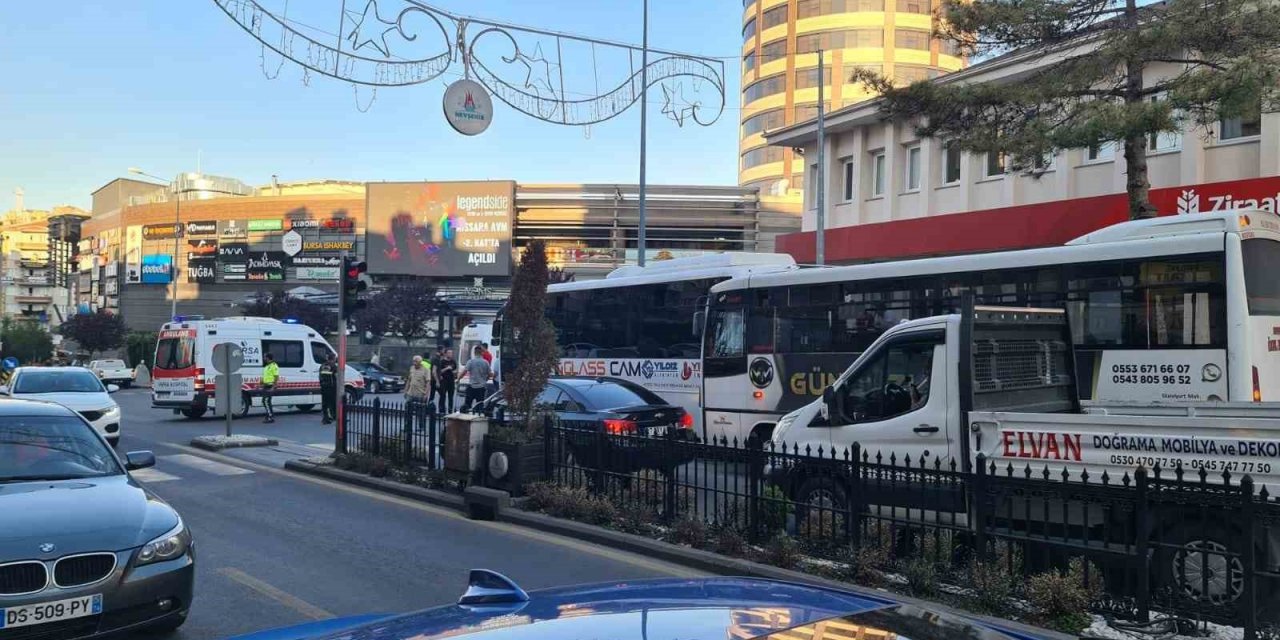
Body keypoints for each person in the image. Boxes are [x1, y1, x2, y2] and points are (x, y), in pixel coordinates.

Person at [462, 346, 492, 413]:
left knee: (467, 404)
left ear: (474, 352)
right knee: (480, 404)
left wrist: (458, 378)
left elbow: (464, 372)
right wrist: (485, 379)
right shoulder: (485, 362)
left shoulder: (470, 362)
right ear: (482, 353)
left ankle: (467, 416)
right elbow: (490, 374)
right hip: (481, 387)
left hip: (472, 386)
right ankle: (478, 417)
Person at [318, 352, 338, 425]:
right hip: (332, 387)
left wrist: (321, 384)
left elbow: (320, 376)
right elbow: (336, 376)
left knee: (325, 403)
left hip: (324, 387)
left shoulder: (322, 366)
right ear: (333, 358)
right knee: (332, 403)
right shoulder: (333, 366)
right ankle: (332, 417)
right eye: (335, 358)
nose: (335, 359)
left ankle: (325, 418)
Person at [261, 353, 280, 423]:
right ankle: (269, 415)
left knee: (266, 401)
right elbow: (264, 376)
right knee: (265, 401)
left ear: (268, 358)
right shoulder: (266, 366)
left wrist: (274, 386)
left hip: (270, 386)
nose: (263, 358)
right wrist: (260, 383)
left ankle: (270, 417)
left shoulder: (274, 365)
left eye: (264, 357)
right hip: (266, 386)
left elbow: (276, 376)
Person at [436, 348, 457, 414]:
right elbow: (439, 371)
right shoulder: (442, 361)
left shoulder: (453, 361)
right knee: (443, 396)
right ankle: (441, 410)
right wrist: (447, 368)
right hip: (444, 381)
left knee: (451, 397)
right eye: (449, 353)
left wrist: (454, 372)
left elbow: (456, 370)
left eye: (451, 353)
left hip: (451, 381)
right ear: (445, 354)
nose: (450, 354)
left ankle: (450, 410)